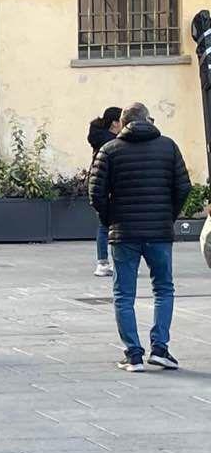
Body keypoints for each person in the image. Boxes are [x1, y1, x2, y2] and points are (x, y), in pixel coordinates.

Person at [89, 102, 192, 372]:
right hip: (159, 231)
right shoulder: (168, 147)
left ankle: (133, 354)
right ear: (148, 120)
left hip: (124, 233)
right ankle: (160, 348)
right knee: (164, 289)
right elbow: (183, 187)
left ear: (122, 123)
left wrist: (110, 218)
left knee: (124, 294)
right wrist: (167, 216)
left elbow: (95, 192)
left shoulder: (110, 150)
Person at [87, 107, 122, 277]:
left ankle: (102, 262)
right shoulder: (113, 142)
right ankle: (116, 262)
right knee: (116, 225)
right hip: (113, 186)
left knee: (103, 224)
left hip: (100, 185)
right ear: (115, 123)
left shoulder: (99, 138)